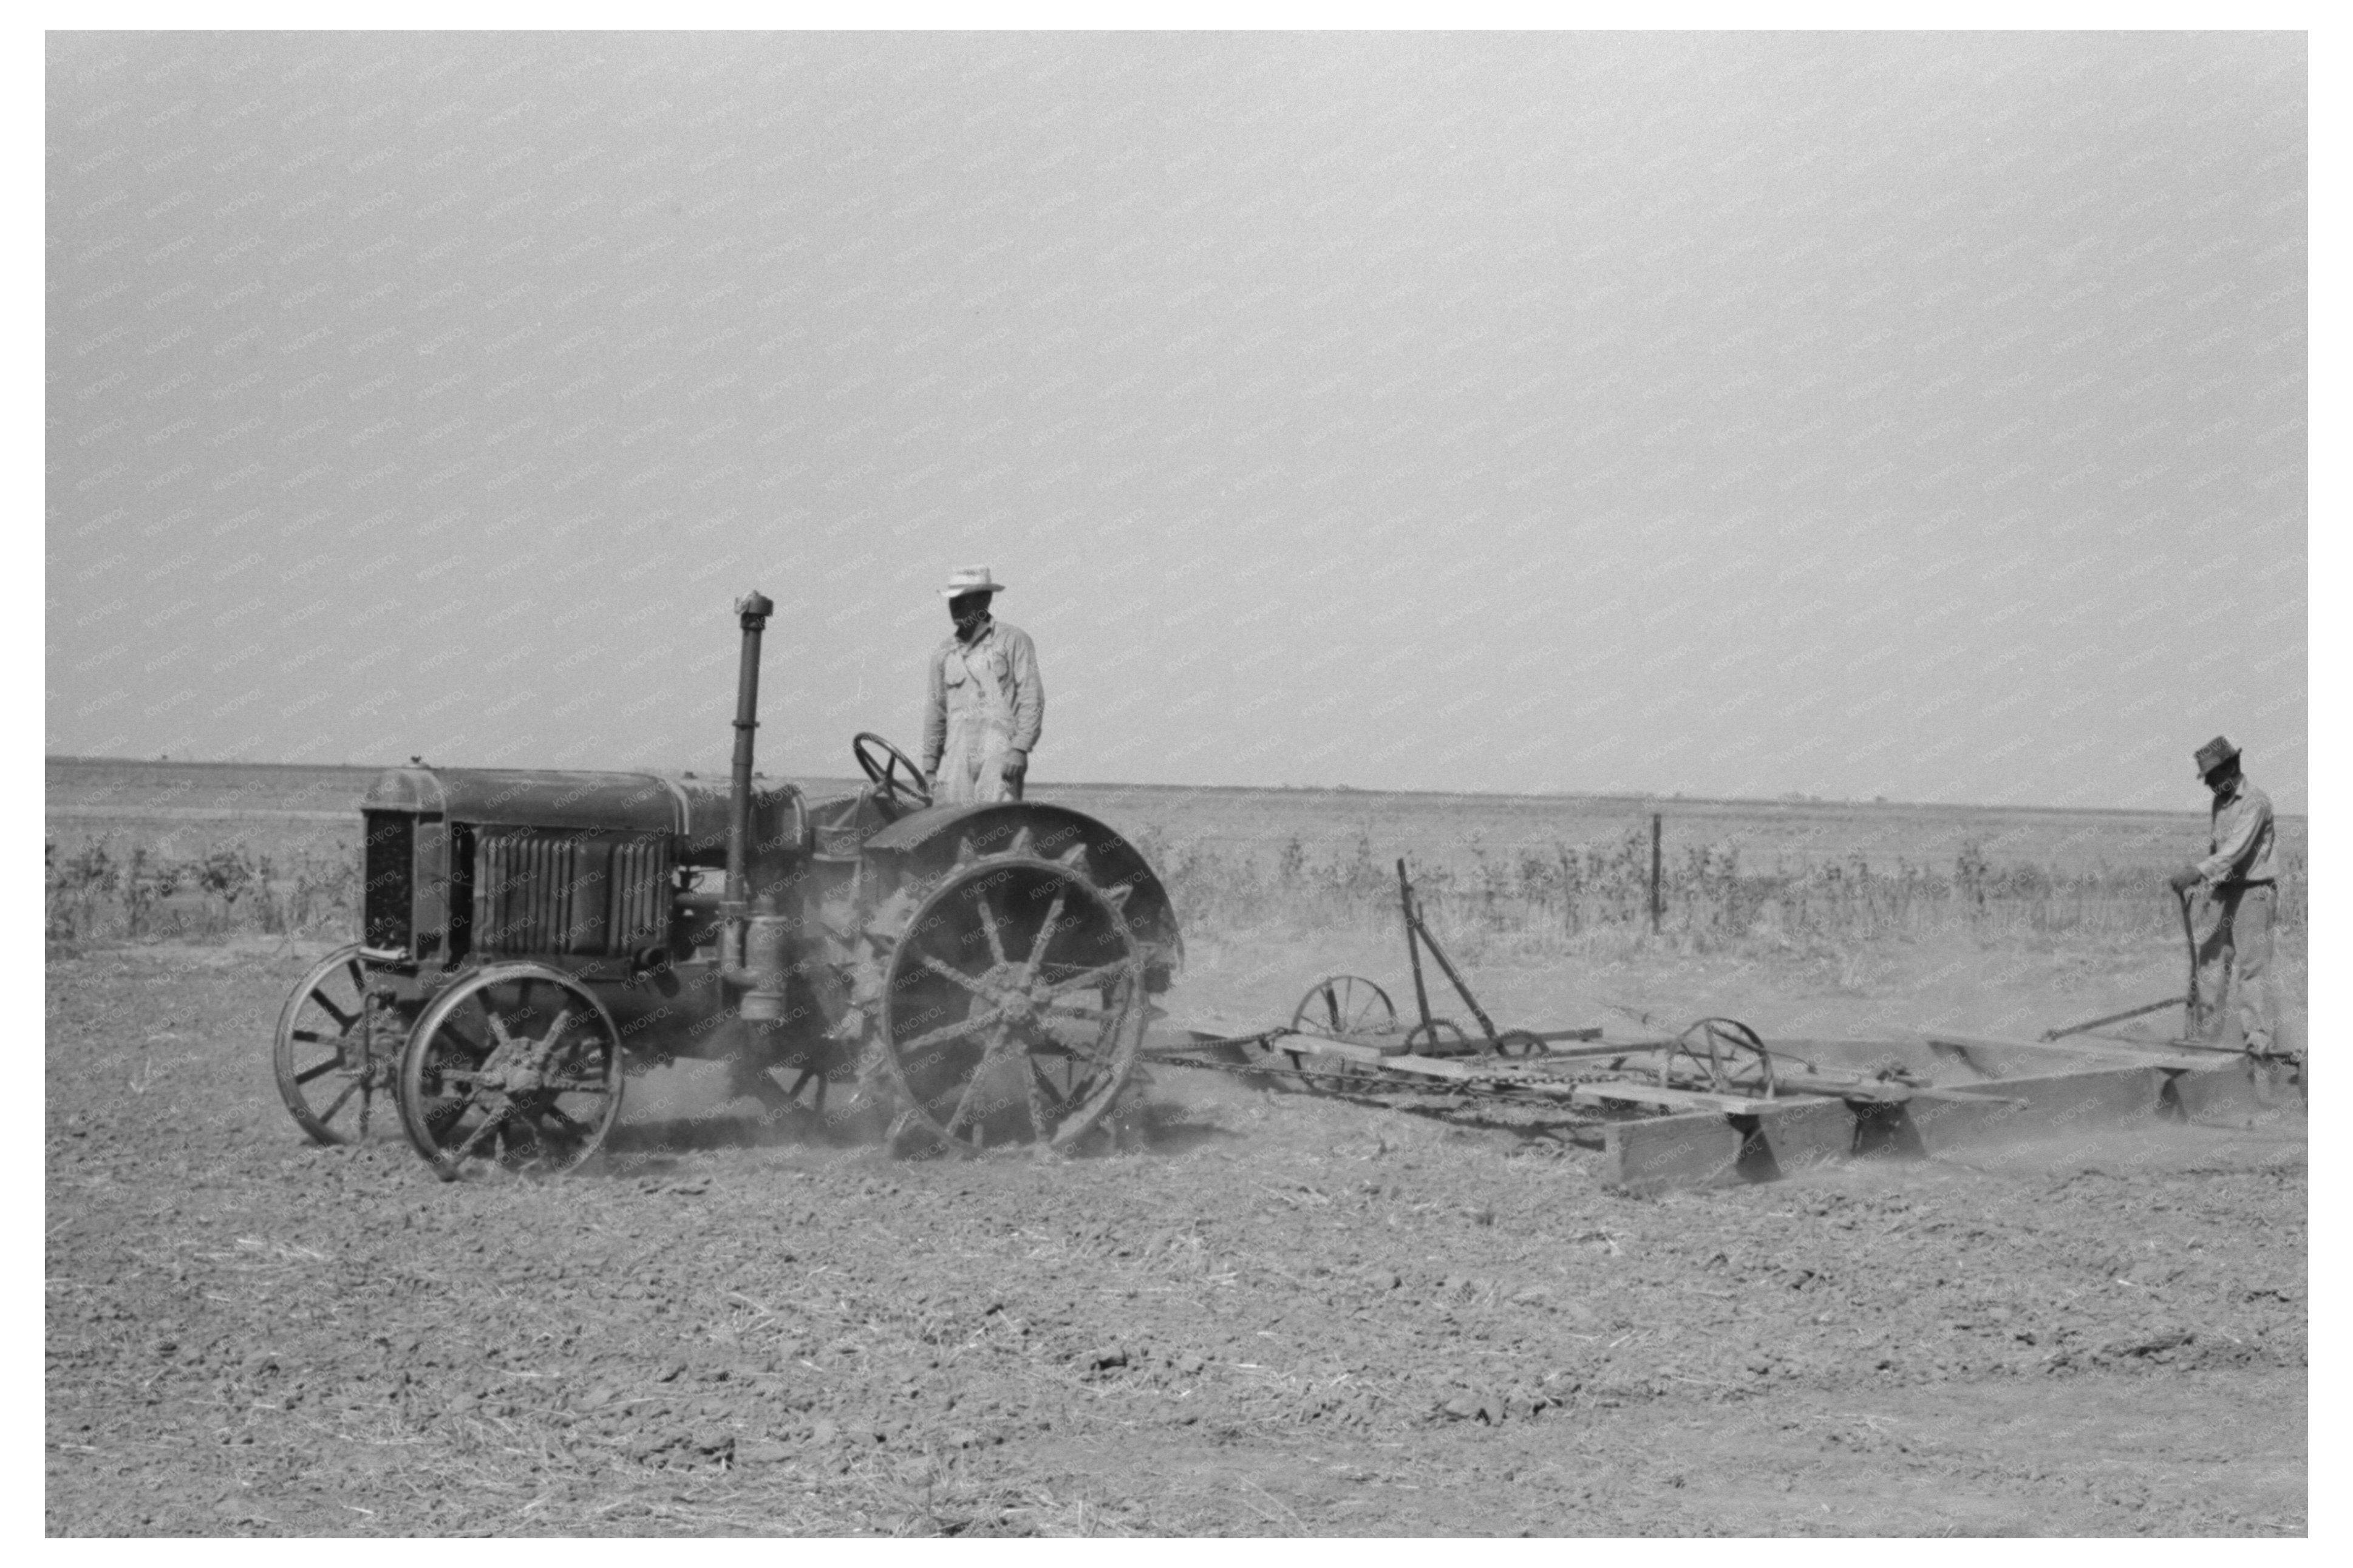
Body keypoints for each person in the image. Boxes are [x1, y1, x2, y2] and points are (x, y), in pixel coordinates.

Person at [2166, 736, 2283, 1058]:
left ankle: (2258, 1041)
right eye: (2208, 780)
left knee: (2251, 968)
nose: (2211, 786)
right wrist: (2205, 888)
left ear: (2232, 768)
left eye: (2214, 777)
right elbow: (2218, 849)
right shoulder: (2220, 803)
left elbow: (2236, 850)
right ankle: (2207, 1035)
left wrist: (2197, 872)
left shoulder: (2257, 802)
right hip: (2224, 891)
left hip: (2254, 894)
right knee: (2211, 964)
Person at [920, 565, 1043, 805]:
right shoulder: (944, 653)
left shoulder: (1013, 640)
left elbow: (1032, 698)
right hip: (957, 751)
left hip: (999, 750)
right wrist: (929, 768)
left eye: (964, 600)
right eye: (952, 601)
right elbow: (936, 712)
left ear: (985, 600)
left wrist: (1020, 748)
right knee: (953, 824)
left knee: (997, 822)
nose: (955, 607)